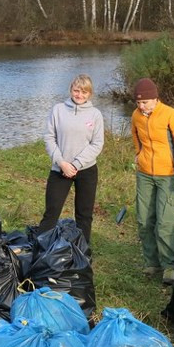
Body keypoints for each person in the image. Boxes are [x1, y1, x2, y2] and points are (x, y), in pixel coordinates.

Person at [130, 77, 174, 285]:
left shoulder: (170, 115)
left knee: (165, 222)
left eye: (146, 102)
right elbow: (136, 139)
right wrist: (139, 156)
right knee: (144, 219)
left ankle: (169, 265)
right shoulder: (136, 116)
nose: (142, 106)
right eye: (139, 103)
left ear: (155, 98)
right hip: (144, 175)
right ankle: (152, 262)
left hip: (168, 175)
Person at [37, 74, 105, 243]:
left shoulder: (95, 114)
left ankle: (83, 252)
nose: (79, 95)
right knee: (51, 212)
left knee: (84, 214)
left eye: (84, 92)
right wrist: (62, 163)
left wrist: (75, 164)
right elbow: (49, 138)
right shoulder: (58, 110)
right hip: (60, 169)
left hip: (86, 170)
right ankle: (41, 249)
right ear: (70, 90)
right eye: (76, 90)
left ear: (90, 94)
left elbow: (97, 144)